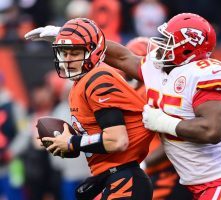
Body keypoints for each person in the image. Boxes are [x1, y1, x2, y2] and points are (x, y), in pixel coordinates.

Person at [24, 13, 221, 199]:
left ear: (189, 47)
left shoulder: (204, 73)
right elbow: (122, 57)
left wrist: (165, 122)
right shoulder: (159, 72)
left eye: (169, 40)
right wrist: (70, 37)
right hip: (198, 184)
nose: (162, 45)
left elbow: (213, 130)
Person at [25, 18, 153, 200]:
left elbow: (117, 140)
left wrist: (72, 142)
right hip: (113, 176)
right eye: (64, 53)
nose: (68, 60)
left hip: (126, 179)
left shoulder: (98, 79)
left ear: (93, 52)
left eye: (75, 53)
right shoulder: (80, 83)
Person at [126, 36, 192, 200]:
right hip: (149, 170)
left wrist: (144, 164)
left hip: (166, 169)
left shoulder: (154, 92)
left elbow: (175, 136)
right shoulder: (137, 92)